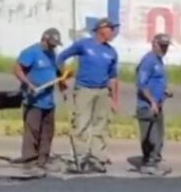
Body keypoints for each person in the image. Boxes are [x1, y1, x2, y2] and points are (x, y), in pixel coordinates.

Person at [56, 17, 120, 173]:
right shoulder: (84, 45)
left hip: (103, 92)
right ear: (101, 29)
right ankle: (78, 158)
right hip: (84, 89)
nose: (113, 32)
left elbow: (113, 78)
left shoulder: (111, 52)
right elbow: (61, 57)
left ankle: (97, 158)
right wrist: (63, 77)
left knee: (101, 126)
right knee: (81, 123)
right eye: (111, 28)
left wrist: (115, 100)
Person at [14, 28, 65, 174]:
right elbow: (17, 69)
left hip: (48, 100)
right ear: (44, 38)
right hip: (33, 99)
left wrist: (62, 86)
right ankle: (29, 160)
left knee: (48, 132)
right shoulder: (31, 52)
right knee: (33, 131)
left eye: (56, 44)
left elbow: (57, 73)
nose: (54, 46)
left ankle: (43, 159)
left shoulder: (52, 54)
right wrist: (28, 84)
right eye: (52, 43)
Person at [135, 33, 173, 175]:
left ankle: (155, 160)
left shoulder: (159, 61)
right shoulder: (148, 61)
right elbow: (142, 84)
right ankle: (148, 163)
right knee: (151, 136)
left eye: (166, 46)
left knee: (159, 136)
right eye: (162, 46)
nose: (164, 49)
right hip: (147, 106)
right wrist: (152, 102)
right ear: (154, 44)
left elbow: (156, 81)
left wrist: (165, 91)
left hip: (158, 104)